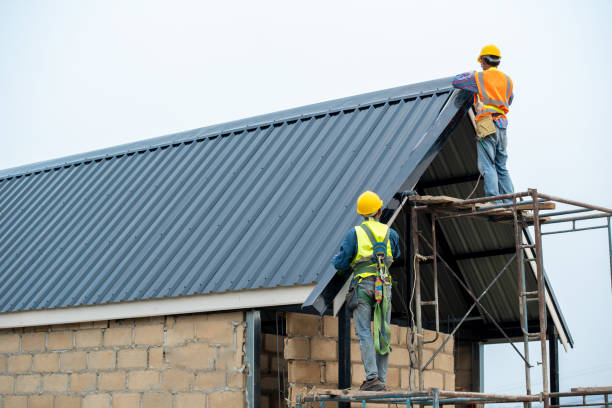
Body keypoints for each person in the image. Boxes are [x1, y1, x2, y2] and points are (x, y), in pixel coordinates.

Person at [331, 190, 400, 391]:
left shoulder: (355, 234)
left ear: (362, 213)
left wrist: (335, 261)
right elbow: (396, 254)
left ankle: (372, 378)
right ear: (379, 211)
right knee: (383, 332)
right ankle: (382, 380)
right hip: (384, 286)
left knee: (364, 332)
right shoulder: (391, 233)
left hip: (362, 286)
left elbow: (341, 263)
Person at [452, 44, 515, 201]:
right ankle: (509, 200)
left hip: (487, 122)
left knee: (488, 164)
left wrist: (470, 73)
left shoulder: (479, 77)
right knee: (501, 165)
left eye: (481, 62)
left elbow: (456, 81)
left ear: (484, 61)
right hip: (502, 124)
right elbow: (510, 98)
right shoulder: (507, 80)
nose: (480, 65)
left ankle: (493, 199)